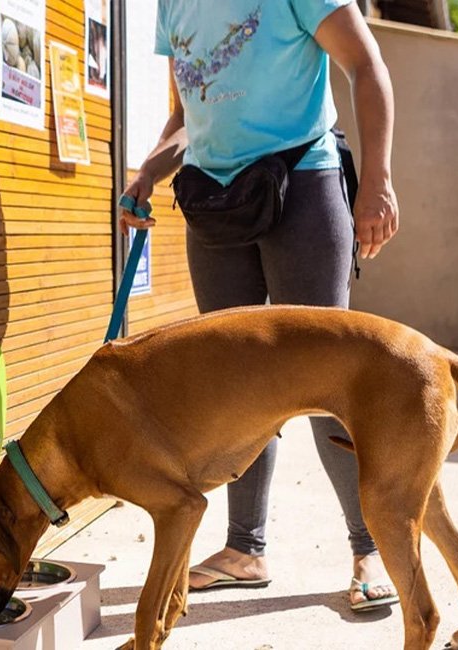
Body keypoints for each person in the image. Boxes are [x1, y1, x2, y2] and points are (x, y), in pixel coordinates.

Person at [119, 0, 400, 611]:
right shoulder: (172, 6)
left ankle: (371, 547)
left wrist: (376, 181)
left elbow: (366, 64)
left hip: (301, 185)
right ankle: (245, 550)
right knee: (233, 386)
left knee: (330, 382)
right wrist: (148, 172)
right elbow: (187, 116)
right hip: (214, 203)